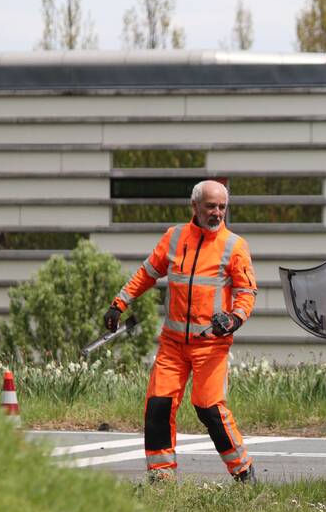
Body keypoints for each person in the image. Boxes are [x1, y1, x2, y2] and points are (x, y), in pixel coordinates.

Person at [104, 180, 258, 483]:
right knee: (158, 405)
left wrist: (235, 318)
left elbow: (246, 292)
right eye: (211, 206)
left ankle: (243, 471)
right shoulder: (175, 237)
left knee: (209, 408)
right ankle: (162, 479)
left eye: (222, 207)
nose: (217, 213)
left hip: (211, 345)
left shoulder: (234, 245)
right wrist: (118, 304)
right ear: (195, 207)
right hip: (173, 345)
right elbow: (147, 273)